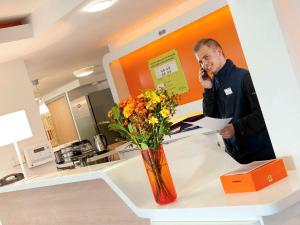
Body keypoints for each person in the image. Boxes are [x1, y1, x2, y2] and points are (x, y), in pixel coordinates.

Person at [193, 38, 276, 164]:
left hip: (260, 155)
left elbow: (262, 114)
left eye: (206, 57)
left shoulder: (244, 77)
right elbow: (211, 117)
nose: (204, 64)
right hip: (235, 157)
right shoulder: (212, 84)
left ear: (219, 51)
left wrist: (235, 128)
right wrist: (208, 89)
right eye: (200, 62)